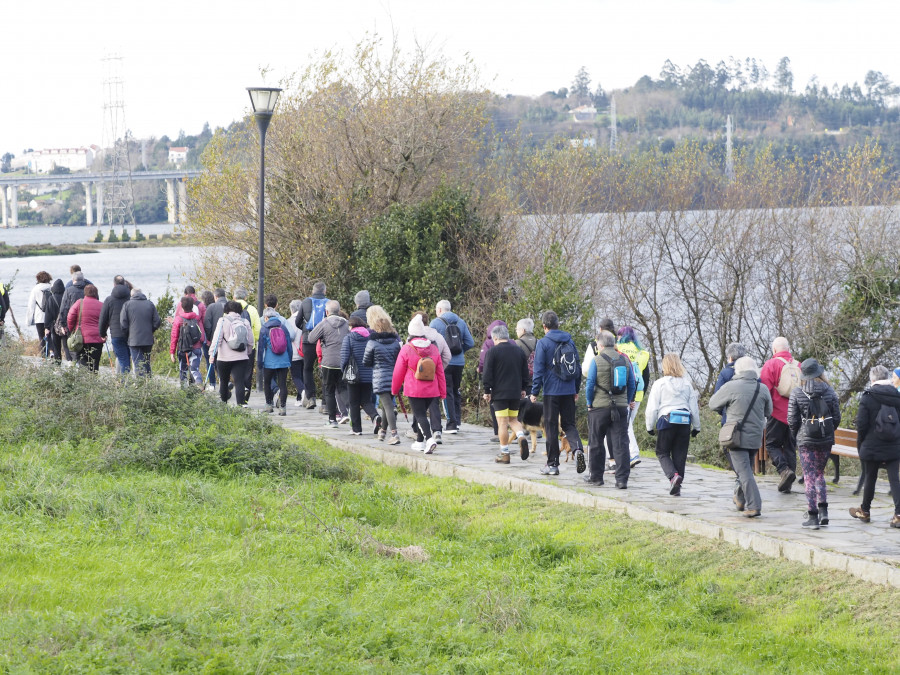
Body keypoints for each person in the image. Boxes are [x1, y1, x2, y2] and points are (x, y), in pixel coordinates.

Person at [709, 356, 773, 518]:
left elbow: (713, 404)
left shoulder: (731, 386)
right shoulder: (762, 388)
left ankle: (754, 505)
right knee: (745, 469)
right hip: (755, 437)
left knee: (743, 471)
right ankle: (740, 498)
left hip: (736, 436)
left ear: (737, 370)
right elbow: (768, 412)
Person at [786, 358, 841, 529]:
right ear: (820, 373)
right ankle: (824, 511)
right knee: (819, 474)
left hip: (806, 441)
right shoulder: (830, 392)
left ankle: (813, 516)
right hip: (825, 440)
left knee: (809, 476)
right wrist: (827, 431)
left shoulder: (797, 392)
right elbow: (836, 418)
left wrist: (798, 435)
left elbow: (792, 420)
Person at [530, 310, 584, 476]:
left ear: (544, 326)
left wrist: (534, 392)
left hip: (551, 392)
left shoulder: (543, 343)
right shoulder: (569, 341)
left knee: (551, 426)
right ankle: (577, 450)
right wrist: (575, 389)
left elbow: (538, 369)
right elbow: (577, 367)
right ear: (557, 325)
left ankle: (552, 464)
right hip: (568, 390)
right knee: (569, 424)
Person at [849, 365, 900, 528]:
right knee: (894, 479)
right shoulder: (897, 396)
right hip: (894, 445)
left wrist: (861, 444)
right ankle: (898, 514)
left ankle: (865, 511)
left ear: (872, 379)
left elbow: (862, 425)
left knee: (870, 477)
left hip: (872, 445)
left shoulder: (868, 397)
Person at [644, 352, 700, 495]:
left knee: (662, 452)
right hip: (684, 423)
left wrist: (649, 426)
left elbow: (652, 408)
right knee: (679, 455)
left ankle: (673, 477)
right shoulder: (687, 384)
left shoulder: (659, 384)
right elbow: (694, 408)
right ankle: (677, 489)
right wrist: (696, 427)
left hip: (667, 420)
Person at [585, 330, 636, 487]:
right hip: (620, 408)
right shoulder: (624, 360)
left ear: (600, 345)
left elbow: (590, 383)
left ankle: (596, 477)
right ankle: (621, 480)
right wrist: (626, 402)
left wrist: (589, 402)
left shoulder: (596, 360)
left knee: (596, 442)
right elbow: (632, 384)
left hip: (599, 408)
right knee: (621, 443)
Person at [392, 314, 447, 454]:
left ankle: (429, 440)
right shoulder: (433, 349)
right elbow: (440, 372)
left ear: (411, 332)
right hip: (432, 389)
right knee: (421, 414)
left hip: (414, 389)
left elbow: (398, 371)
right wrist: (442, 392)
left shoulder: (407, 348)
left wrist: (395, 389)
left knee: (420, 415)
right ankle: (419, 442)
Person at [482, 324, 530, 463]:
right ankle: (521, 436)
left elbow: (487, 374)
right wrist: (523, 388)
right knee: (513, 420)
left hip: (500, 394)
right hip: (515, 392)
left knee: (502, 423)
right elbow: (525, 372)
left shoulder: (492, 352)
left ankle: (505, 454)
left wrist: (487, 390)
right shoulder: (518, 351)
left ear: (496, 337)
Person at [760, 336, 801, 493]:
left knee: (771, 444)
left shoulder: (771, 364)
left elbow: (765, 390)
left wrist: (764, 410)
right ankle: (787, 485)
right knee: (790, 447)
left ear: (774, 350)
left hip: (777, 413)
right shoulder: (799, 365)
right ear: (789, 349)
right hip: (795, 415)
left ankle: (784, 471)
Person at [430, 300, 475, 434]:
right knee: (456, 390)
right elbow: (470, 342)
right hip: (459, 363)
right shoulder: (460, 322)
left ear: (439, 310)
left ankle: (451, 424)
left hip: (444, 363)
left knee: (446, 392)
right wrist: (460, 351)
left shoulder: (435, 323)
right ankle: (458, 421)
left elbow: (431, 344)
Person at [364, 305, 403, 445]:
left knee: (387, 406)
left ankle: (395, 434)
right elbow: (400, 359)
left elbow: (366, 361)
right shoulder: (395, 342)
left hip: (380, 377)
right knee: (386, 405)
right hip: (395, 377)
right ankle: (382, 432)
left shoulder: (372, 342)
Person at [308, 299, 349, 428]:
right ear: (339, 310)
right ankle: (350, 412)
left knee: (329, 391)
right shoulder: (347, 324)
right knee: (342, 388)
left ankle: (332, 420)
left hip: (328, 362)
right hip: (343, 361)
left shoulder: (324, 323)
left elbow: (311, 338)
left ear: (326, 312)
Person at [616, 325, 651, 468]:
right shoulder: (642, 353)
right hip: (638, 393)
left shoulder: (618, 349)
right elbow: (646, 376)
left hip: (622, 391)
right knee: (627, 423)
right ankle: (626, 454)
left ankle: (633, 453)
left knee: (625, 424)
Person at [208, 300, 254, 406]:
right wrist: (248, 352)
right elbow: (250, 340)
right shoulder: (245, 321)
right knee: (239, 382)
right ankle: (240, 406)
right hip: (241, 357)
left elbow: (217, 339)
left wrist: (212, 354)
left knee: (224, 382)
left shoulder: (223, 320)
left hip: (224, 358)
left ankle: (224, 405)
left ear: (227, 310)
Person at [341, 316, 380, 434]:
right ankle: (375, 416)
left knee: (354, 402)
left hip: (354, 375)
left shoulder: (348, 338)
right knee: (366, 401)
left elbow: (344, 357)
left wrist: (344, 371)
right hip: (369, 374)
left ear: (352, 326)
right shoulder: (370, 337)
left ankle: (356, 429)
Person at [294, 281, 329, 409]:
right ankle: (325, 402)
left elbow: (298, 321)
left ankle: (311, 398)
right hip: (324, 341)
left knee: (307, 368)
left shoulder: (305, 302)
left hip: (308, 340)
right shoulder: (329, 303)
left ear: (313, 291)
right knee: (325, 369)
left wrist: (305, 329)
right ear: (324, 291)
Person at [258, 304, 297, 415]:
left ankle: (268, 405)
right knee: (282, 383)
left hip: (269, 361)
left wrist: (260, 363)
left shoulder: (264, 328)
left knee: (267, 382)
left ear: (266, 317)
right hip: (284, 360)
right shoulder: (283, 327)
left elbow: (261, 348)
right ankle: (283, 408)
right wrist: (289, 359)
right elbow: (289, 345)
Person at [120, 287, 162, 377]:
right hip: (148, 339)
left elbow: (123, 324)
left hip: (134, 340)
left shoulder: (127, 305)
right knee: (147, 363)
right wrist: (150, 330)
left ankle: (141, 385)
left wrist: (128, 334)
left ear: (131, 295)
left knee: (138, 364)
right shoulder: (150, 304)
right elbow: (157, 322)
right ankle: (148, 384)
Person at [478, 319, 508, 442]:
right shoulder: (511, 342)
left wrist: (480, 369)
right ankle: (517, 432)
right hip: (511, 380)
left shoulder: (488, 343)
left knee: (495, 406)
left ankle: (498, 433)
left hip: (496, 381)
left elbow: (483, 361)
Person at [66, 284, 104, 371]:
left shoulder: (80, 303)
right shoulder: (101, 305)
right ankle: (93, 380)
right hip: (97, 338)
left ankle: (83, 380)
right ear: (96, 293)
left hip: (81, 338)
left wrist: (72, 330)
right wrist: (103, 333)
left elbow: (70, 317)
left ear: (85, 293)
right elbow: (106, 321)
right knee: (95, 362)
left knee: (82, 361)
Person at [99, 276, 132, 374]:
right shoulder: (131, 299)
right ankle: (127, 382)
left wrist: (102, 333)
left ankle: (124, 384)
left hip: (116, 334)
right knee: (128, 358)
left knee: (122, 359)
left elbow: (103, 318)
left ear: (114, 284)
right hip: (130, 333)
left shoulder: (109, 300)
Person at [170, 296, 206, 387]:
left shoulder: (178, 319)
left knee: (183, 370)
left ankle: (184, 392)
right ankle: (198, 383)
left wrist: (172, 352)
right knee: (194, 369)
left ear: (182, 307)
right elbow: (201, 333)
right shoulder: (196, 318)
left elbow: (174, 337)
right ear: (192, 306)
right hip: (196, 348)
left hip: (183, 349)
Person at [233, 288, 261, 399]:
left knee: (236, 370)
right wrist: (253, 341)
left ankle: (238, 395)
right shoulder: (252, 309)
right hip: (249, 347)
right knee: (248, 372)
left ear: (234, 298)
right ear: (245, 298)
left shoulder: (229, 309)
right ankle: (246, 397)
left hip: (233, 346)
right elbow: (258, 328)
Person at [56, 270, 87, 360]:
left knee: (73, 345)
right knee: (85, 347)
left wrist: (62, 324)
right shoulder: (88, 290)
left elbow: (63, 308)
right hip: (86, 322)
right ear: (83, 279)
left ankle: (75, 365)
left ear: (73, 279)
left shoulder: (69, 291)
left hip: (72, 323)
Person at [713, 342, 747, 422]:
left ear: (730, 358)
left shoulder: (724, 373)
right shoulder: (753, 374)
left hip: (729, 420)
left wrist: (724, 411)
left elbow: (717, 398)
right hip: (751, 420)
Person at [203, 288, 228, 389]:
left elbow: (207, 324)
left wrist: (209, 338)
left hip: (215, 339)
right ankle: (223, 382)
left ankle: (212, 384)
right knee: (224, 363)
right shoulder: (231, 305)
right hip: (229, 341)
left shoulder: (212, 307)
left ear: (216, 297)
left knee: (211, 361)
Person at [26, 271, 53, 352]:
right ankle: (52, 353)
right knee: (51, 337)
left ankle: (44, 357)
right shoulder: (52, 287)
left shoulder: (35, 289)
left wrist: (28, 321)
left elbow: (31, 306)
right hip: (51, 317)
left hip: (40, 318)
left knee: (41, 338)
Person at [287, 299, 305, 407]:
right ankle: (299, 399)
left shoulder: (288, 321)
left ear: (291, 309)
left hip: (294, 353)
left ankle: (303, 392)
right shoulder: (306, 320)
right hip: (306, 352)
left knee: (296, 376)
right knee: (304, 375)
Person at [42, 279, 65, 362]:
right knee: (66, 347)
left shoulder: (51, 299)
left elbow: (48, 314)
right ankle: (70, 363)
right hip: (65, 326)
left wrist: (46, 327)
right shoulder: (65, 297)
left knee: (56, 347)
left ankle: (58, 363)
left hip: (54, 326)